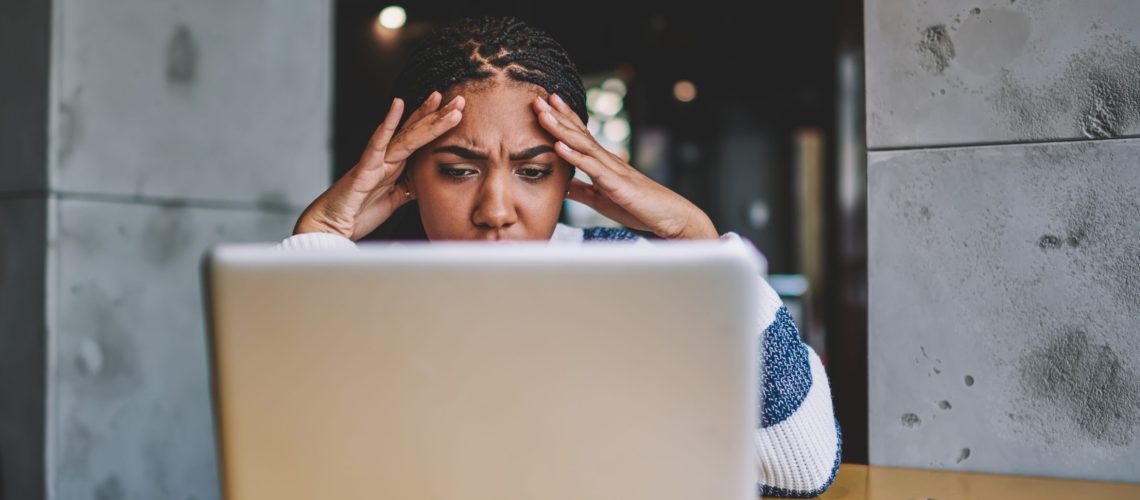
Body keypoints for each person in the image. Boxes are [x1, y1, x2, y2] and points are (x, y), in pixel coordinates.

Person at [280, 16, 841, 497]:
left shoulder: (635, 279)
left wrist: (701, 248)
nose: (495, 209)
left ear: (571, 175)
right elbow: (290, 463)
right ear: (409, 175)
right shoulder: (367, 298)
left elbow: (804, 469)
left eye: (532, 171)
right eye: (457, 170)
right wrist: (321, 237)